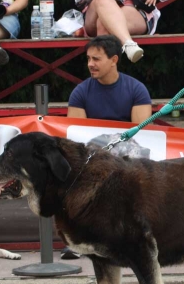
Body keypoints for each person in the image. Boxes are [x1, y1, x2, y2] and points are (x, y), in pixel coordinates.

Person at [60, 34, 152, 259]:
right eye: (89, 58)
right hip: (93, 157)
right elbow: (77, 137)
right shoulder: (80, 92)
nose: (90, 64)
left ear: (114, 60)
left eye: (96, 59)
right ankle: (81, 240)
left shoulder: (136, 89)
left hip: (127, 157)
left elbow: (139, 133)